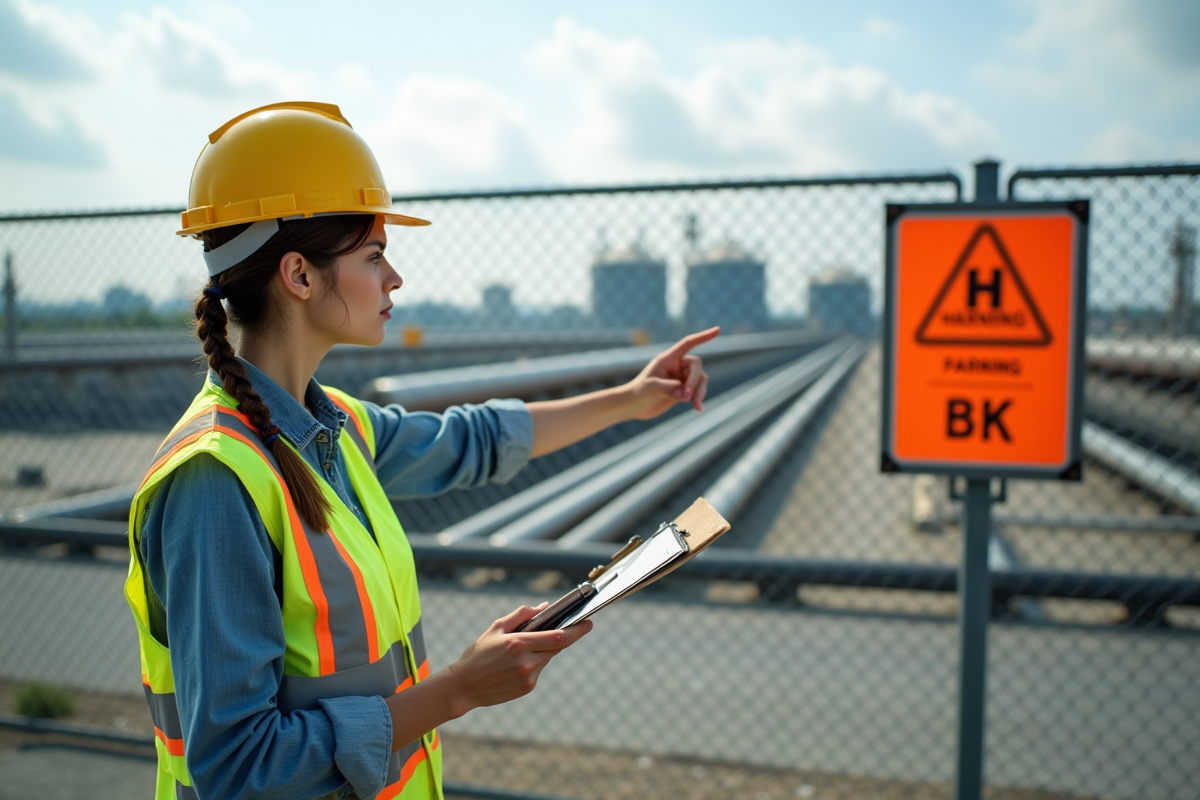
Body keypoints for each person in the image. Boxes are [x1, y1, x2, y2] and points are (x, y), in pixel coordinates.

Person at [124, 101, 718, 800]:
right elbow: (239, 769)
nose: (395, 278)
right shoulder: (214, 483)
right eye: (374, 255)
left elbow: (472, 440)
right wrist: (459, 688)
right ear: (300, 275)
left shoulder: (334, 426)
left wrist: (632, 398)